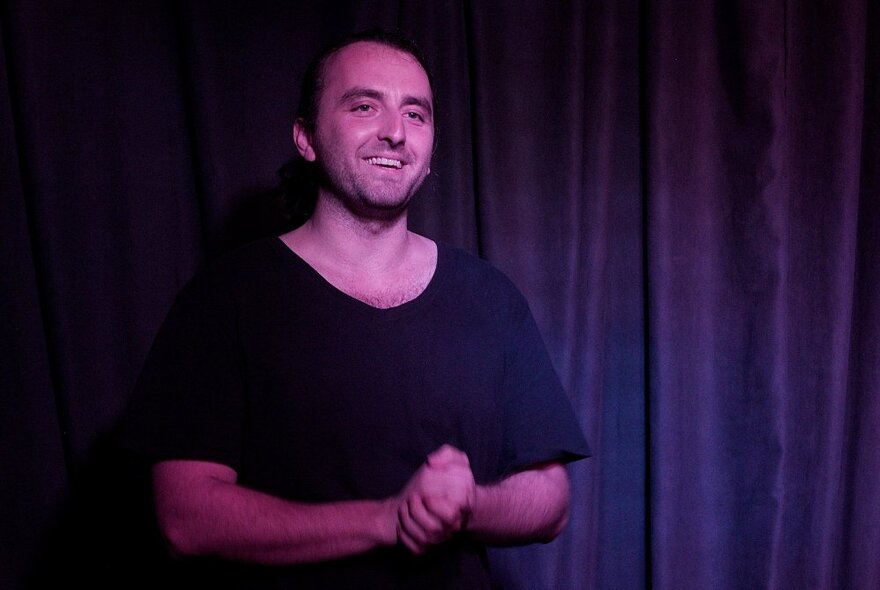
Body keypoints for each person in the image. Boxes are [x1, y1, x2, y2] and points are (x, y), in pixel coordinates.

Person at [119, 30, 589, 589]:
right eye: (365, 106)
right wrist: (388, 518)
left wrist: (468, 504)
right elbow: (186, 517)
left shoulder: (489, 298)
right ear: (306, 137)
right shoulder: (226, 297)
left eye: (416, 114)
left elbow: (550, 498)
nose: (395, 132)